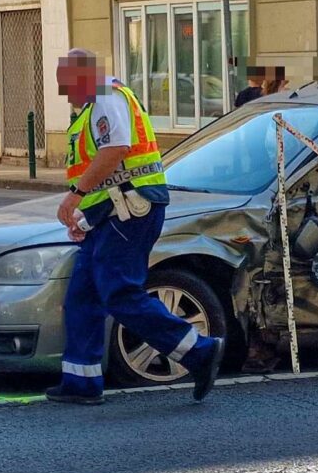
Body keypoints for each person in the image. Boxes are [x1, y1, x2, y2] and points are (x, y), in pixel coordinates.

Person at [50, 48, 225, 406]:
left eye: (66, 86)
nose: (64, 94)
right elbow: (113, 172)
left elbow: (115, 149)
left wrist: (74, 196)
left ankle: (199, 351)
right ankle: (80, 381)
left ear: (82, 77)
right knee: (83, 295)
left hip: (131, 210)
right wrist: (86, 216)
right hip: (116, 212)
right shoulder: (94, 105)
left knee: (119, 292)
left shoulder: (105, 95)